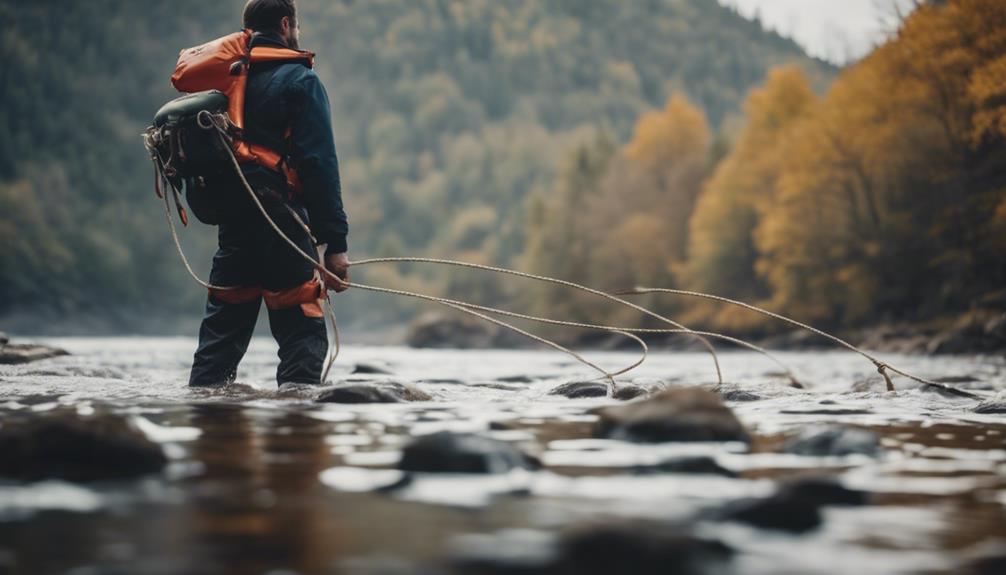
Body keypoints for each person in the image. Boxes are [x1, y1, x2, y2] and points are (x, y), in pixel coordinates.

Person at [188, 0, 349, 387]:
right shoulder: (301, 81)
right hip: (283, 226)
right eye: (296, 25)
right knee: (302, 337)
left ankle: (207, 428)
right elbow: (319, 165)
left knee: (218, 349)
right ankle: (296, 434)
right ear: (285, 24)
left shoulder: (222, 85)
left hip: (234, 228)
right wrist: (336, 244)